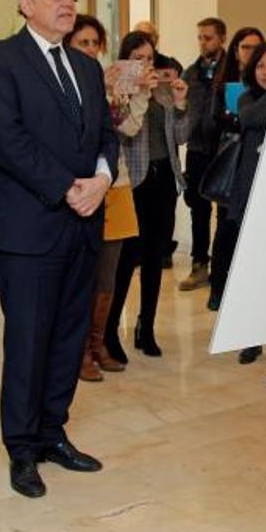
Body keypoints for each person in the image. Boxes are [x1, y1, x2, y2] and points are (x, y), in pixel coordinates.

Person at [0, 0, 119, 499]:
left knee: (67, 337)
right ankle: (22, 448)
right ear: (25, 3)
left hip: (83, 225)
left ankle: (53, 432)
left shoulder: (84, 66)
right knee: (30, 339)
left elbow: (105, 133)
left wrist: (102, 180)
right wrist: (68, 188)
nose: (67, 2)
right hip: (31, 228)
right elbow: (8, 141)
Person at [103, 31, 189, 358]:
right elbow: (127, 130)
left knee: (155, 258)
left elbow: (180, 136)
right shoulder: (120, 91)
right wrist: (137, 90)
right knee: (126, 261)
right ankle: (110, 330)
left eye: (150, 58)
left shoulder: (164, 93)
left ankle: (146, 327)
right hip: (133, 183)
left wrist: (181, 104)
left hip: (164, 179)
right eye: (138, 58)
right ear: (126, 60)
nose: (146, 65)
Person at [65, 14, 132, 381]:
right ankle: (77, 352)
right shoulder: (64, 84)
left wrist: (122, 95)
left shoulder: (112, 83)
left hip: (115, 185)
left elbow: (126, 130)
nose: (90, 50)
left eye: (95, 43)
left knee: (108, 274)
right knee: (81, 276)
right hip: (78, 188)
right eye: (82, 43)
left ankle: (97, 343)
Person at [224, 41, 266, 364]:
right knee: (249, 267)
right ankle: (250, 336)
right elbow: (251, 119)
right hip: (251, 193)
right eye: (261, 66)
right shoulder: (248, 98)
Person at [206, 27, 264, 311]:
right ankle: (217, 286)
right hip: (233, 162)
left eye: (257, 47)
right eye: (246, 47)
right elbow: (218, 118)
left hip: (259, 165)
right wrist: (238, 121)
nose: (251, 53)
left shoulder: (265, 88)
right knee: (226, 229)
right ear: (236, 50)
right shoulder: (227, 82)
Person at [177, 17, 227, 292]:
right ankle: (199, 265)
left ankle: (222, 266)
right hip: (197, 150)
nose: (203, 42)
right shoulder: (190, 73)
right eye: (200, 37)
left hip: (223, 150)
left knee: (224, 212)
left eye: (208, 37)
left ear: (221, 38)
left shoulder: (231, 71)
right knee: (198, 208)